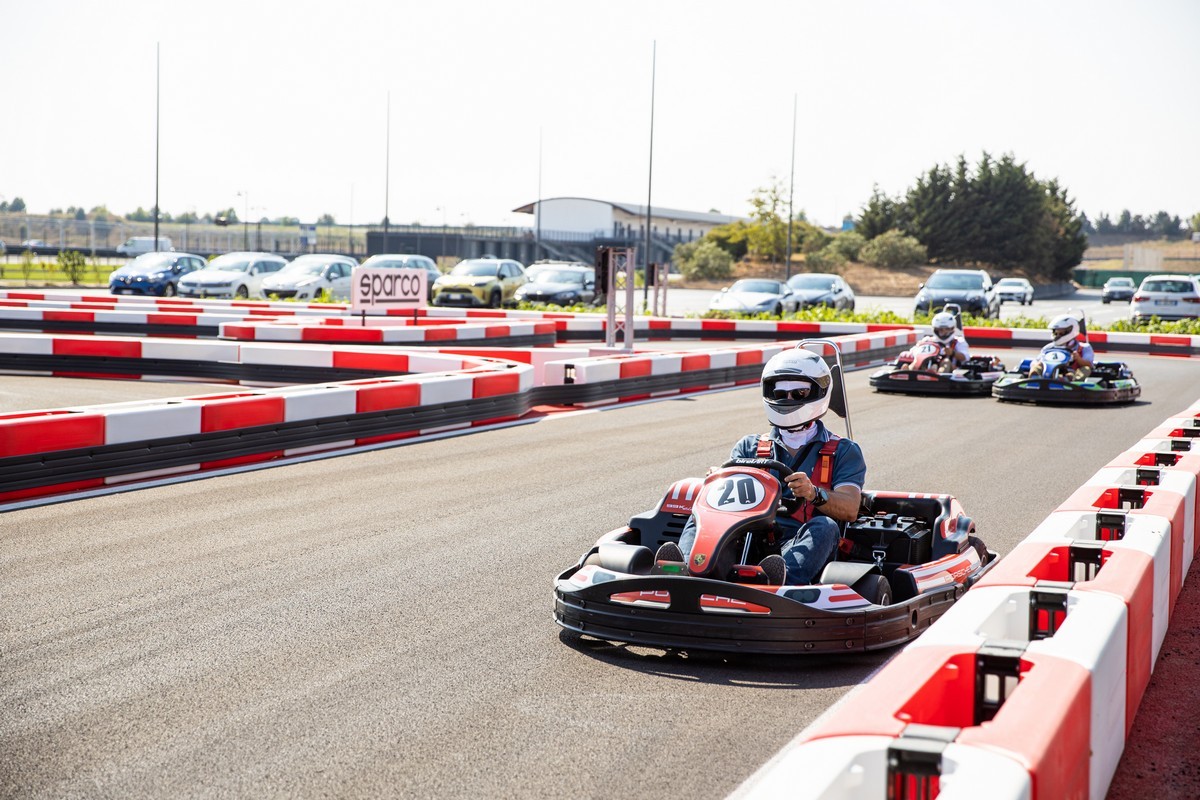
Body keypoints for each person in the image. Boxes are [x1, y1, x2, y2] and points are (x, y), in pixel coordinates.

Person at [657, 346, 867, 586]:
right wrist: (718, 482)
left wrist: (813, 493)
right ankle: (686, 571)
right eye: (780, 392)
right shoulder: (749, 446)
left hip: (799, 541)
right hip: (745, 536)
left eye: (798, 393)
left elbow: (851, 507)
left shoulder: (843, 450)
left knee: (825, 526)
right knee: (702, 509)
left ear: (818, 392)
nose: (788, 400)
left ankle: (781, 579)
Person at [1030, 314, 1093, 379]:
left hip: (1071, 372)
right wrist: (1039, 363)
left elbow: (1089, 365)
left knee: (1086, 369)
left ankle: (1070, 380)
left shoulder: (1083, 347)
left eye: (1061, 332)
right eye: (1056, 333)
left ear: (1071, 330)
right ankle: (1035, 377)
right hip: (1048, 371)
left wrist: (1078, 358)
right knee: (1037, 365)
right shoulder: (1048, 348)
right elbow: (1035, 361)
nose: (1057, 335)